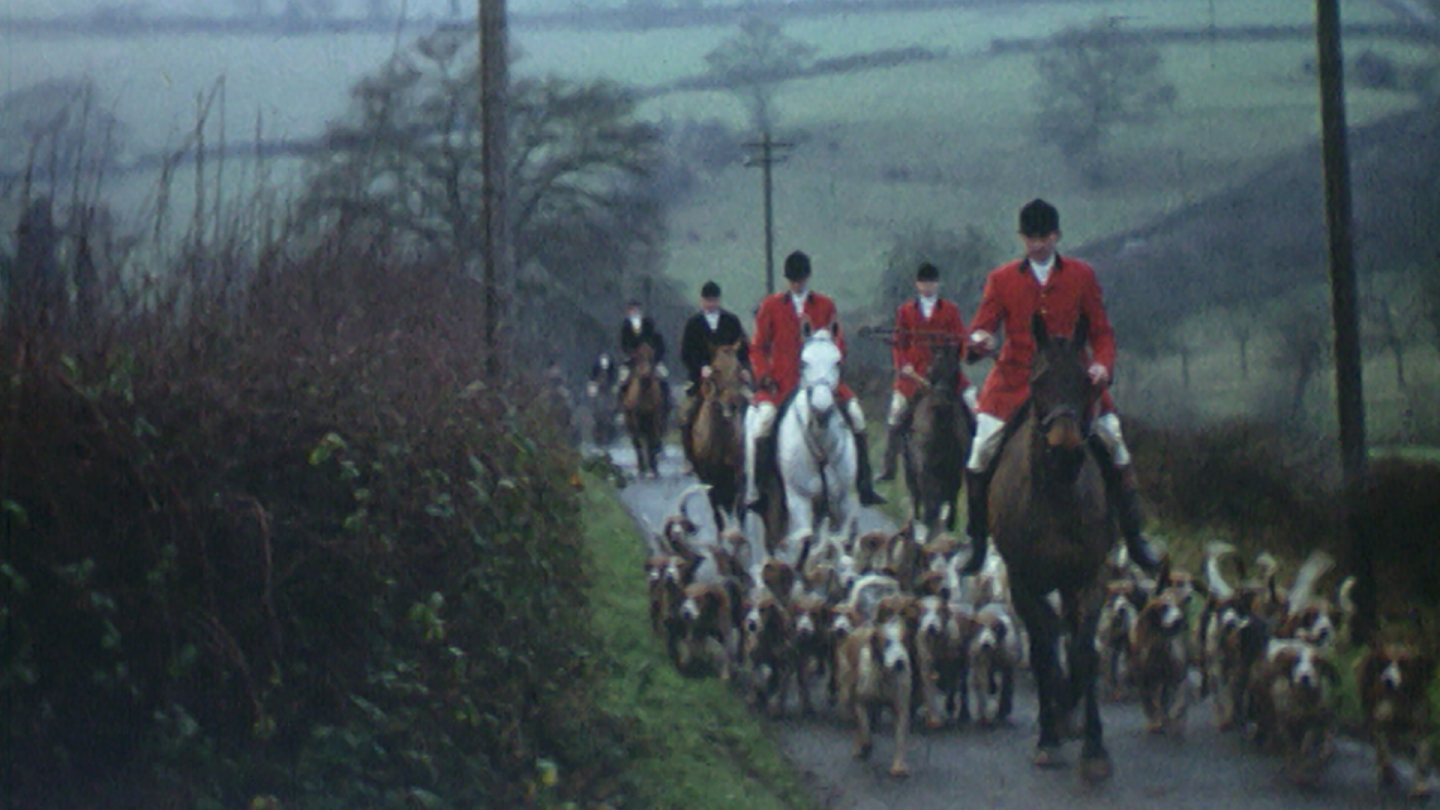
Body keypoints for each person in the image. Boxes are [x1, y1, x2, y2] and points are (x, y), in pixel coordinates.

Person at [961, 198, 1163, 575]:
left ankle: (1134, 538)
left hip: (1073, 385)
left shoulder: (1081, 275)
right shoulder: (1001, 279)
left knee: (1114, 442)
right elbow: (981, 326)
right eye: (1030, 238)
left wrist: (1102, 365)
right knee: (979, 453)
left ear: (1056, 236)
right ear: (1022, 238)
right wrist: (979, 341)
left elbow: (1101, 330)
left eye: (1043, 237)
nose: (1037, 245)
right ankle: (976, 543)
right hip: (1014, 383)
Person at [743, 250, 886, 512]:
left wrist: (833, 367)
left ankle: (864, 485)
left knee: (856, 415)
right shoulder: (771, 306)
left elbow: (838, 341)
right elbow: (757, 347)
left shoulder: (824, 305)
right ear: (788, 280)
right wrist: (763, 375)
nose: (797, 284)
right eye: (793, 280)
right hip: (781, 382)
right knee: (762, 424)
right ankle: (758, 490)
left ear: (807, 277)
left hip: (821, 381)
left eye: (800, 279)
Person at [875, 262, 979, 484]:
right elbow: (898, 343)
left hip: (946, 377)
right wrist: (902, 364)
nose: (927, 287)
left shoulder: (951, 310)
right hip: (914, 376)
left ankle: (975, 460)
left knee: (973, 405)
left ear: (937, 284)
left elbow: (961, 339)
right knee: (896, 412)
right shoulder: (905, 311)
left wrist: (958, 357)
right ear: (917, 285)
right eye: (923, 283)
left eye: (931, 283)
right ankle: (889, 467)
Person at [678, 280, 751, 462]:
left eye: (713, 300)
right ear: (701, 301)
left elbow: (744, 348)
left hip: (729, 378)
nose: (710, 304)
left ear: (718, 300)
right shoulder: (694, 324)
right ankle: (690, 455)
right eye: (707, 300)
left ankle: (751, 452)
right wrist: (701, 368)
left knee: (750, 408)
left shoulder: (731, 321)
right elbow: (687, 352)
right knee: (686, 413)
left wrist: (743, 368)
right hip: (702, 378)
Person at [618, 299, 670, 405]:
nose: (634, 312)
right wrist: (629, 355)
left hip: (650, 361)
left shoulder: (649, 324)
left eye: (637, 310)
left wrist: (656, 358)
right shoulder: (626, 327)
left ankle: (667, 404)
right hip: (632, 362)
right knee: (622, 381)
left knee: (664, 378)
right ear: (629, 312)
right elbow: (623, 345)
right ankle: (620, 408)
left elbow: (657, 342)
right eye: (632, 310)